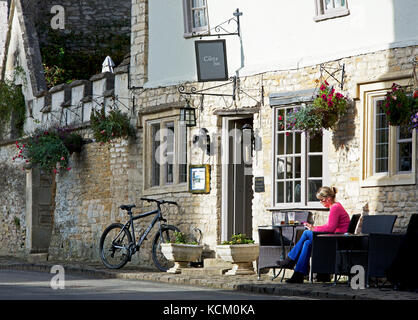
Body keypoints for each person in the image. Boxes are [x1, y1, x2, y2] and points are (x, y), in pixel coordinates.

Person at [278, 186, 350, 284]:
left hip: (337, 240)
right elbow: (330, 226)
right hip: (336, 238)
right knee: (307, 243)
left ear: (328, 198)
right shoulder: (336, 206)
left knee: (306, 233)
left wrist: (313, 228)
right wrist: (314, 227)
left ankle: (290, 260)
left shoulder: (335, 208)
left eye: (322, 200)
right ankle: (298, 275)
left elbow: (330, 228)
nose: (320, 202)